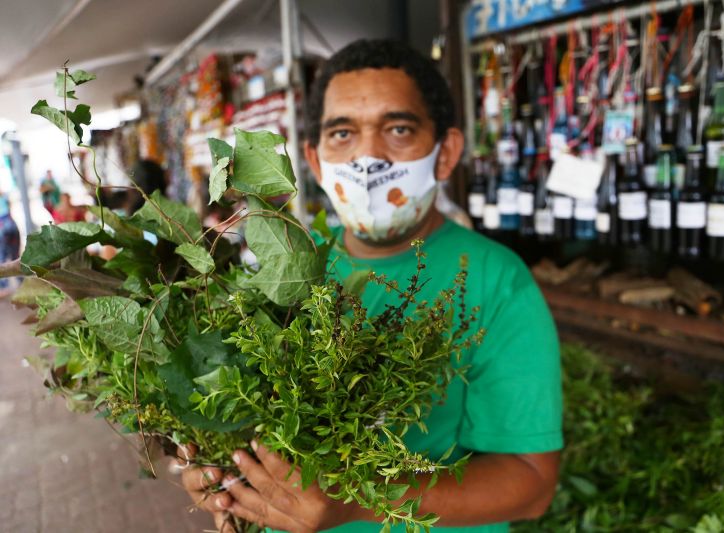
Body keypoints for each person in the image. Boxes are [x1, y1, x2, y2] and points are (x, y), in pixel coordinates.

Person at [179, 39, 562, 533]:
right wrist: (221, 479)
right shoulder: (291, 263)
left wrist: (360, 500)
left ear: (446, 153)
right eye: (343, 133)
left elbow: (532, 483)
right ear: (314, 162)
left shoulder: (497, 282)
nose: (367, 157)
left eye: (398, 129)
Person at [0, 194, 21, 298]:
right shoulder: (5, 197)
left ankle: (3, 287)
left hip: (2, 228)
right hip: (11, 224)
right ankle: (22, 282)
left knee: (2, 258)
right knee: (15, 257)